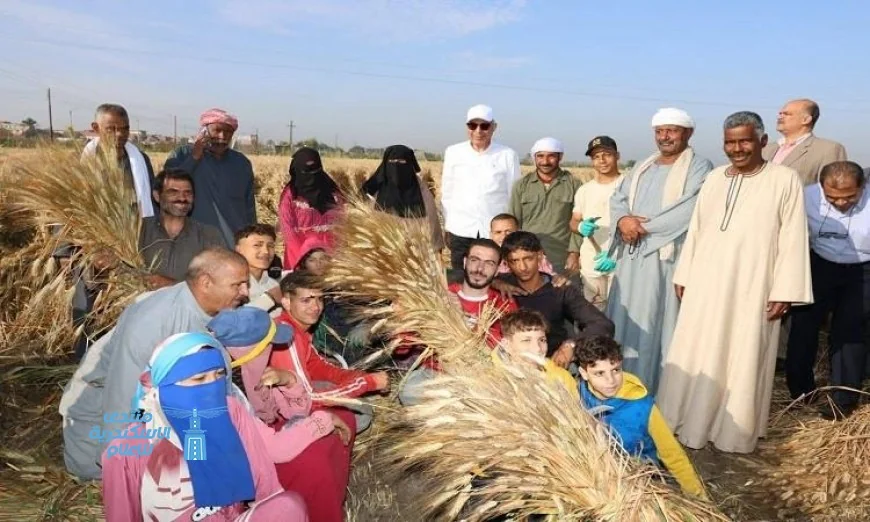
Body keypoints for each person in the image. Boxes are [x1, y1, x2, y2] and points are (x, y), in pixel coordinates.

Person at [657, 111, 813, 454]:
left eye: (743, 140)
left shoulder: (784, 179)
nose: (736, 148)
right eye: (730, 141)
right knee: (695, 348)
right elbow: (697, 229)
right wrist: (685, 274)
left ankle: (732, 431)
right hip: (705, 282)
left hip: (754, 284)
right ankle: (684, 420)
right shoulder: (714, 178)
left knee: (742, 354)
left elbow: (793, 239)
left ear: (762, 141)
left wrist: (785, 290)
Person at [60, 248, 249, 479]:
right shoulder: (152, 321)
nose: (245, 292)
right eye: (237, 285)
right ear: (206, 282)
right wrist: (121, 465)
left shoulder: (211, 310)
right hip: (103, 422)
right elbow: (122, 396)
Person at [101, 332, 308, 522]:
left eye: (219, 376)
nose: (212, 388)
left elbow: (265, 486)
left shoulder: (230, 413)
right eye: (199, 379)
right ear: (164, 386)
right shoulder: (128, 451)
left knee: (289, 506)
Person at [601, 108, 713, 392]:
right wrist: (624, 220)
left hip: (666, 259)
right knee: (623, 319)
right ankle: (615, 383)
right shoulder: (642, 166)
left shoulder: (699, 167)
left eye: (672, 130)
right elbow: (618, 199)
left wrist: (642, 229)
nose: (665, 137)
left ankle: (656, 390)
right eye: (660, 131)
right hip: (630, 257)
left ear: (688, 133)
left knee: (658, 324)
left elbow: (691, 207)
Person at [210, 308, 355, 522]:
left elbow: (297, 411)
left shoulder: (252, 371)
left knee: (344, 416)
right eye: (269, 344)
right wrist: (325, 421)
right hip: (248, 465)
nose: (273, 348)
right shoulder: (227, 395)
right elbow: (276, 449)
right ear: (251, 350)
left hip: (267, 439)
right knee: (314, 463)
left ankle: (330, 504)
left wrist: (290, 382)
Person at [60, 103, 157, 360]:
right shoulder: (79, 162)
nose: (119, 135)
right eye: (111, 128)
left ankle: (123, 361)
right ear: (95, 128)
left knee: (128, 306)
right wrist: (65, 250)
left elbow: (147, 202)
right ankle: (84, 363)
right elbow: (62, 206)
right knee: (87, 306)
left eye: (124, 129)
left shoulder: (139, 160)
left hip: (132, 246)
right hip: (90, 247)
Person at [575, 336, 707, 499]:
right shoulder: (579, 391)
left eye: (615, 370)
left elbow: (672, 453)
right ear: (584, 374)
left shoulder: (643, 407)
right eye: (599, 373)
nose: (610, 381)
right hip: (596, 470)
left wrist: (698, 497)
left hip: (638, 475)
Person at [787, 161, 870, 420]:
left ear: (862, 187)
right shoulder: (805, 196)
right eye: (833, 198)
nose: (842, 203)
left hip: (862, 270)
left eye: (849, 197)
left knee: (849, 332)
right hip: (819, 264)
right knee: (803, 325)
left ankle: (843, 400)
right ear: (821, 188)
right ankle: (801, 391)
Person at [272, 270, 390, 429]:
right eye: (306, 300)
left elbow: (319, 368)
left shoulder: (298, 330)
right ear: (286, 303)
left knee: (361, 406)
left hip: (300, 398)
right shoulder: (286, 336)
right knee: (361, 414)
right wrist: (366, 383)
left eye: (320, 299)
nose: (316, 307)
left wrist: (363, 376)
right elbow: (307, 398)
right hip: (288, 413)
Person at [498, 231, 614, 367]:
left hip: (554, 364)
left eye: (528, 258)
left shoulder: (559, 288)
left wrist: (571, 345)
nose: (522, 267)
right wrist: (495, 283)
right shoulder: (501, 286)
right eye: (515, 261)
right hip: (510, 366)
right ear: (506, 263)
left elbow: (602, 324)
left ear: (540, 256)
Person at [441, 104, 521, 269]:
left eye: (484, 126)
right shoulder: (453, 152)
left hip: (494, 231)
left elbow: (514, 194)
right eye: (473, 125)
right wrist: (448, 226)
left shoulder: (507, 155)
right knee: (460, 278)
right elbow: (447, 192)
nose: (478, 131)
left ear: (494, 127)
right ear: (467, 127)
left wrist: (511, 230)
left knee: (494, 276)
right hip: (461, 228)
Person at [165, 108, 256, 247]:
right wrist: (194, 158)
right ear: (204, 131)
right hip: (192, 246)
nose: (222, 136)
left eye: (228, 132)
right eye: (217, 130)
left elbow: (249, 207)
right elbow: (168, 187)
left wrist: (252, 238)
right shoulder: (182, 155)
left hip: (234, 245)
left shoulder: (242, 163)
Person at [139, 168, 225, 288]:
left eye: (188, 193)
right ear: (157, 196)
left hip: (191, 306)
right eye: (173, 192)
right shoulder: (138, 230)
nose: (182, 198)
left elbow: (221, 281)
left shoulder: (209, 235)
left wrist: (173, 286)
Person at [508, 137, 582, 272]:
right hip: (527, 257)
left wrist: (574, 253)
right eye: (540, 156)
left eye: (551, 156)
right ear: (534, 158)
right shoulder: (521, 186)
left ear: (560, 157)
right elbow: (513, 223)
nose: (545, 161)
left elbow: (579, 222)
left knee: (567, 291)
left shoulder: (574, 184)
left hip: (561, 256)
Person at [570, 136, 624, 310]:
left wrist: (616, 256)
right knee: (595, 313)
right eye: (596, 157)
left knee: (623, 313)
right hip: (593, 262)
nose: (602, 160)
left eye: (607, 154)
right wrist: (580, 227)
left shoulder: (628, 186)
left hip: (622, 262)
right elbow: (574, 220)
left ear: (617, 156)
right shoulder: (585, 190)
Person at [362, 144, 444, 251]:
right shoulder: (375, 193)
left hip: (415, 255)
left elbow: (433, 228)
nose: (396, 167)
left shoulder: (423, 194)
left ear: (410, 165)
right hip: (381, 256)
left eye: (402, 162)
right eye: (392, 162)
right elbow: (367, 229)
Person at [491, 309, 579, 400]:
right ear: (506, 345)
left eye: (542, 340)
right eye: (526, 340)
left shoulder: (562, 378)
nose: (537, 348)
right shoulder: (494, 381)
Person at [278, 147, 343, 269]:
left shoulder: (333, 192)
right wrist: (305, 260)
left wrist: (331, 257)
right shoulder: (290, 195)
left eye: (316, 170)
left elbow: (342, 225)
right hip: (299, 254)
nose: (312, 176)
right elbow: (288, 231)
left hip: (331, 256)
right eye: (306, 171)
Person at [448, 238, 518, 345]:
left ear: (497, 270)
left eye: (489, 263)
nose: (480, 269)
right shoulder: (442, 294)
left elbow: (510, 350)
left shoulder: (505, 306)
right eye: (474, 260)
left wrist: (461, 318)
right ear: (465, 262)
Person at [763, 98, 847, 186]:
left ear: (806, 119)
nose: (780, 117)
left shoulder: (828, 149)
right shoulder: (765, 149)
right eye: (780, 114)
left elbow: (834, 188)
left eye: (787, 114)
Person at [233, 223, 281, 315]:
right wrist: (270, 298)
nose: (266, 251)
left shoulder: (273, 285)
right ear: (239, 250)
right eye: (257, 245)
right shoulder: (230, 283)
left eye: (270, 246)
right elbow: (233, 321)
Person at [489, 213, 556, 275]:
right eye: (498, 232)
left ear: (519, 232)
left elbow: (548, 278)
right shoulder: (485, 258)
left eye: (508, 231)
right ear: (491, 235)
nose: (503, 236)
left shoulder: (535, 256)